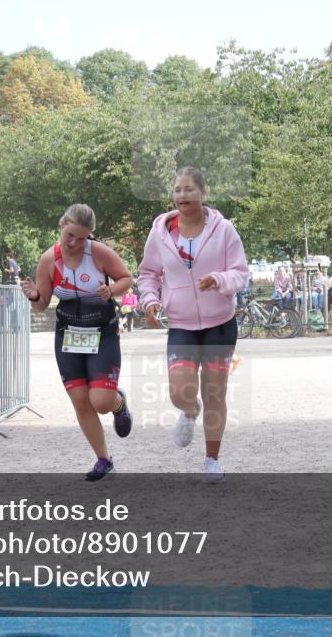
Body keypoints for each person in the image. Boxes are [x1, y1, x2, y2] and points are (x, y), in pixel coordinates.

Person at [138, 167, 248, 483]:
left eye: (188, 189)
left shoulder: (224, 230)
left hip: (219, 324)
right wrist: (149, 300)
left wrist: (220, 279)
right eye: (177, 190)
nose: (182, 195)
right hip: (182, 324)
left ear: (203, 192)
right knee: (179, 391)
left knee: (215, 394)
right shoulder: (160, 233)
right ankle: (189, 411)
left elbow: (240, 273)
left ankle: (212, 459)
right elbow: (148, 274)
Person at [22, 204, 134, 481]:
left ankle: (118, 403)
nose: (74, 242)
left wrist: (112, 289)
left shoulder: (98, 253)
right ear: (61, 226)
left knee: (101, 401)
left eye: (82, 238)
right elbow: (42, 305)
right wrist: (34, 296)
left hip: (102, 333)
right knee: (81, 402)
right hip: (69, 336)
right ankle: (103, 459)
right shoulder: (49, 260)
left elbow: (127, 279)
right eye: (70, 235)